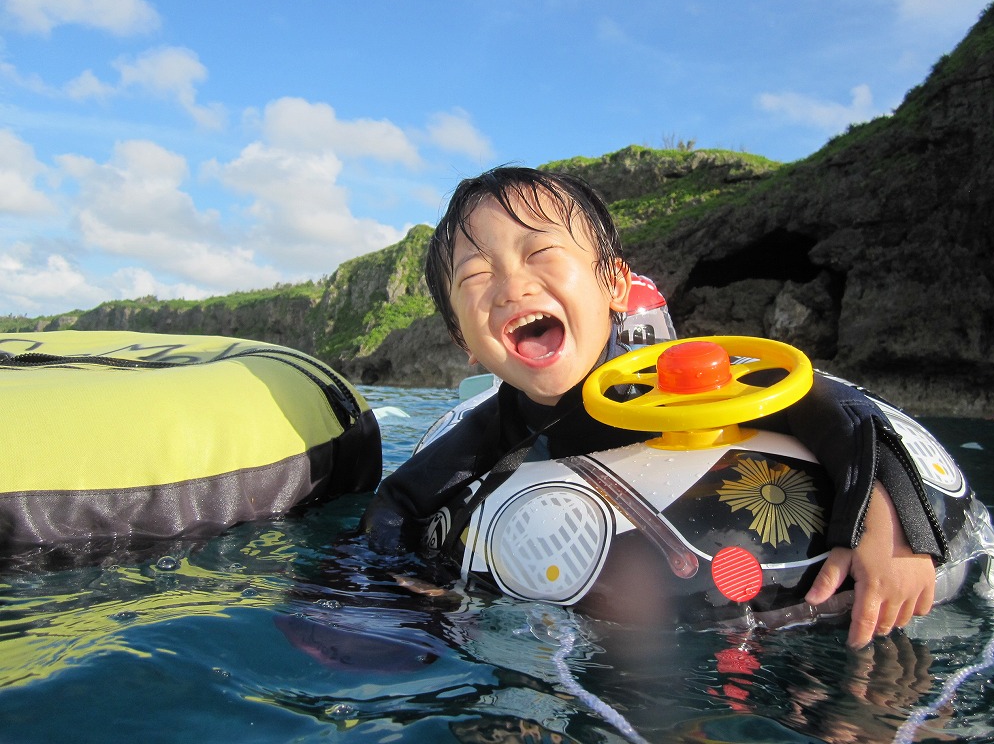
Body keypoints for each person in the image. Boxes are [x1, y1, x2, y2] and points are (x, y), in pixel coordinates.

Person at [361, 166, 941, 649]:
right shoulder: (498, 424)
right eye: (477, 276)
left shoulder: (675, 379)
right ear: (465, 343)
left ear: (614, 285)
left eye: (540, 252)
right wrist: (401, 587)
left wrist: (891, 532)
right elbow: (400, 502)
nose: (512, 287)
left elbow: (841, 411)